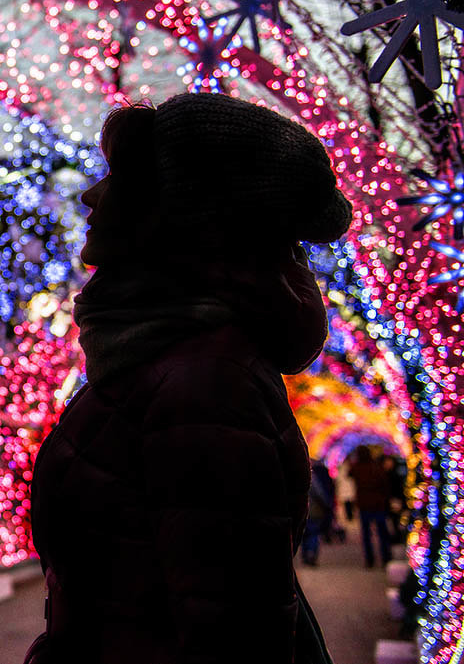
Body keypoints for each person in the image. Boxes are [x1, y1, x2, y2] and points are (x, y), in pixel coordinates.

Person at [25, 94, 352, 664]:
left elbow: (234, 637)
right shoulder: (163, 360)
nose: (90, 195)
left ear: (179, 216)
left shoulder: (203, 386)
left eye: (115, 179)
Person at [349, 446, 392, 568]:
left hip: (364, 504)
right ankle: (385, 557)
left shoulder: (357, 468)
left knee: (366, 533)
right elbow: (384, 484)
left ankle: (369, 559)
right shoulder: (376, 467)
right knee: (382, 532)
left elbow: (350, 474)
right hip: (378, 504)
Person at [302, 459, 334, 566]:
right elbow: (319, 494)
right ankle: (312, 554)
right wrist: (327, 504)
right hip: (314, 511)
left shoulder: (296, 478)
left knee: (304, 534)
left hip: (304, 511)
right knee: (314, 534)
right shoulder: (313, 478)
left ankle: (305, 555)